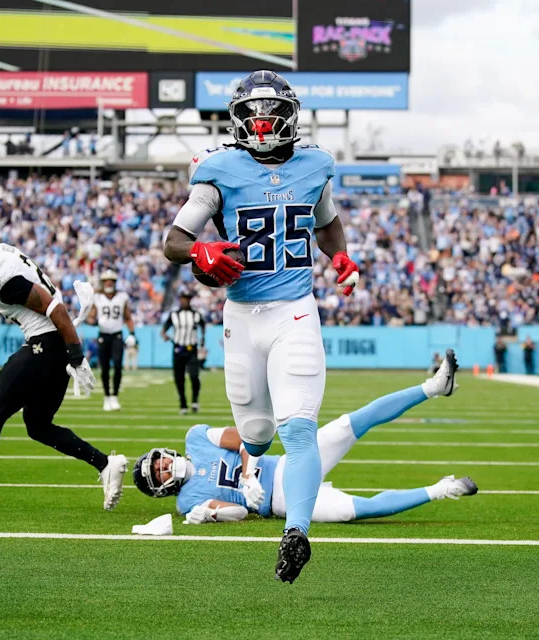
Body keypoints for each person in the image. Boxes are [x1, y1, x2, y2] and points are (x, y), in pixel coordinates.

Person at [164, 70, 360, 582]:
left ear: (290, 116)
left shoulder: (315, 164)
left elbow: (327, 220)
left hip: (295, 311)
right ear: (238, 119)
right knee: (256, 432)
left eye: (272, 111)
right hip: (240, 315)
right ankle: (248, 475)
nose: (264, 121)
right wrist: (200, 249)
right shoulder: (218, 169)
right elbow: (174, 240)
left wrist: (340, 257)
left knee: (299, 427)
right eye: (253, 112)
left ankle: (296, 531)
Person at [0, 215, 127, 515]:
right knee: (38, 426)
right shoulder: (1, 253)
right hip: (54, 346)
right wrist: (70, 352)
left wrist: (76, 354)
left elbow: (53, 306)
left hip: (46, 344)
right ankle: (106, 464)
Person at [132, 352, 470, 527]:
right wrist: (209, 512)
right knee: (355, 511)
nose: (163, 464)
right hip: (280, 503)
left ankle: (434, 387)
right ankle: (441, 490)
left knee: (351, 423)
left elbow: (246, 438)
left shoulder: (196, 439)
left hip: (288, 463)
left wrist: (248, 475)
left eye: (158, 459)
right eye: (158, 472)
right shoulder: (187, 502)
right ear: (161, 488)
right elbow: (238, 512)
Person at [87, 269, 135, 412]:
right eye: (106, 280)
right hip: (103, 335)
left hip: (117, 335)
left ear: (114, 282)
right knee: (105, 368)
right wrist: (93, 321)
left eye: (111, 280)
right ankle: (107, 396)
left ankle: (114, 396)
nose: (108, 283)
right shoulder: (97, 297)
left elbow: (127, 317)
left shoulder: (122, 297)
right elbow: (91, 317)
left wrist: (132, 333)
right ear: (103, 282)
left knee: (118, 365)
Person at [161, 289, 206, 415]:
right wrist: (164, 334)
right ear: (180, 299)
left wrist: (202, 341)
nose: (185, 300)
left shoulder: (196, 315)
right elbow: (164, 328)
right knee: (179, 378)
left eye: (187, 298)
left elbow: (203, 326)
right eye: (183, 298)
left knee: (194, 376)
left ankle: (195, 400)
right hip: (178, 349)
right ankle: (183, 403)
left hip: (191, 349)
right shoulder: (174, 314)